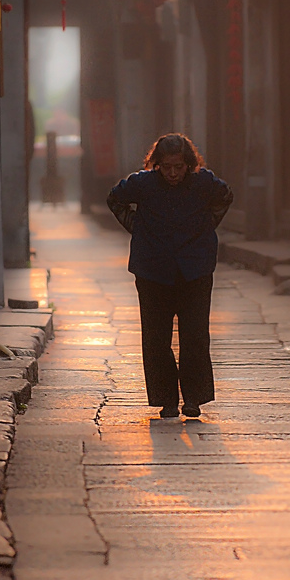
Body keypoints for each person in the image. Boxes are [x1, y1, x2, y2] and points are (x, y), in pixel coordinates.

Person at [107, 133, 233, 419]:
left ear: (188, 164)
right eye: (167, 167)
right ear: (157, 165)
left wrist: (205, 229)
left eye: (179, 167)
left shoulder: (204, 183)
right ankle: (167, 400)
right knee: (156, 339)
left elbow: (225, 197)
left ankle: (193, 400)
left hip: (195, 270)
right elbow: (115, 199)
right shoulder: (142, 184)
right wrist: (138, 228)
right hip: (153, 271)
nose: (173, 173)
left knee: (195, 336)